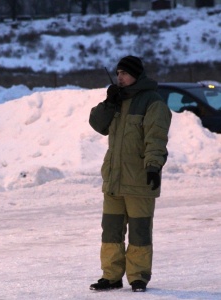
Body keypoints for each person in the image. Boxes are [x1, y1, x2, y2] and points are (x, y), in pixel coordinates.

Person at [89, 55, 172, 292]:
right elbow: (97, 124)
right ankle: (111, 276)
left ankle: (138, 277)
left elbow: (156, 137)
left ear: (136, 75)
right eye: (117, 74)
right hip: (114, 180)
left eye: (124, 73)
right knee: (111, 232)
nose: (120, 78)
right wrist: (108, 102)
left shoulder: (152, 101)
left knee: (139, 232)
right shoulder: (117, 100)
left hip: (140, 179)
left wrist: (154, 166)